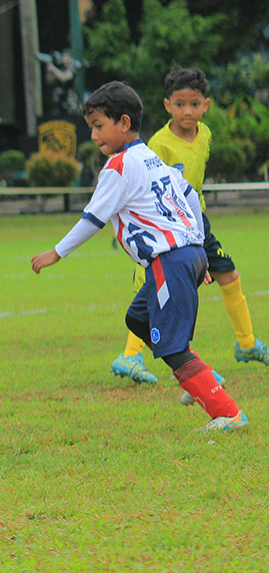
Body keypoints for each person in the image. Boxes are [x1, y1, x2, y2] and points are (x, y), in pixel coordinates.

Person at [31, 81, 247, 432]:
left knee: (174, 348)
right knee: (138, 319)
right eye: (91, 128)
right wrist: (199, 249)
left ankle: (228, 413)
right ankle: (204, 378)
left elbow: (93, 219)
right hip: (187, 254)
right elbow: (190, 197)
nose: (94, 136)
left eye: (99, 126)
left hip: (170, 260)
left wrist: (56, 253)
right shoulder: (152, 158)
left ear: (124, 122)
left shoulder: (119, 167)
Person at [110, 68, 269, 388]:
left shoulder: (205, 134)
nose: (187, 111)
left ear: (205, 105)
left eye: (194, 104)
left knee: (230, 275)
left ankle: (247, 343)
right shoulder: (158, 144)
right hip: (166, 225)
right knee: (156, 290)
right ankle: (130, 354)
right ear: (167, 105)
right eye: (180, 104)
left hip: (197, 221)